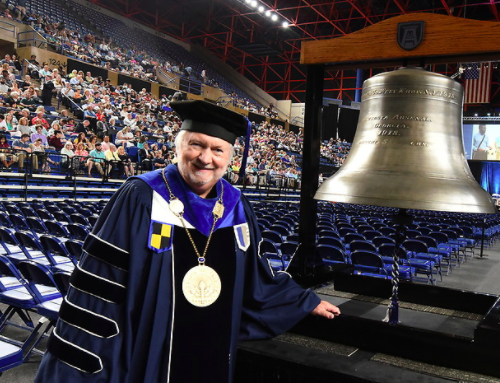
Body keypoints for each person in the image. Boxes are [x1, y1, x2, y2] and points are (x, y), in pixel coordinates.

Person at [35, 100, 339, 382]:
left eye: (218, 150)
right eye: (196, 145)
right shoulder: (141, 196)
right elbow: (101, 282)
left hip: (214, 345)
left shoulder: (236, 206)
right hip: (150, 350)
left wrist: (304, 301)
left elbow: (255, 276)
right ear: (178, 147)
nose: (206, 158)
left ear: (230, 158)